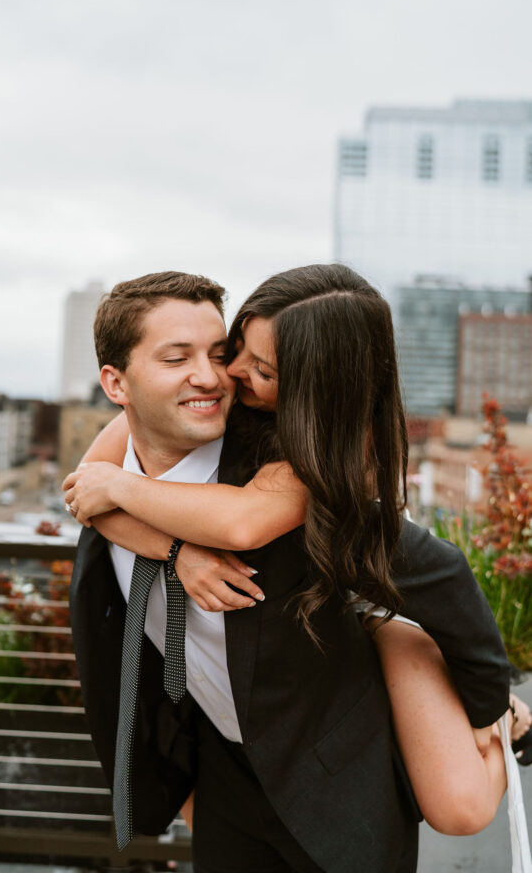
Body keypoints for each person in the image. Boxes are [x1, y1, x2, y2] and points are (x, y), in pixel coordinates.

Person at [66, 267, 512, 873]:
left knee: (462, 801)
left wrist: (488, 703)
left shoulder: (295, 475)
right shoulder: (121, 451)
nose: (219, 375)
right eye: (185, 357)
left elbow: (442, 577)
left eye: (228, 358)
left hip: (335, 788)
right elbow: (86, 503)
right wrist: (174, 550)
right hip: (224, 773)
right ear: (118, 383)